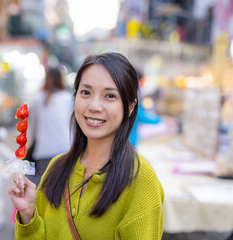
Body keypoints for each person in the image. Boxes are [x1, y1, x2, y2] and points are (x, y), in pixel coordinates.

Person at [8, 52, 164, 239]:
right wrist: (28, 214)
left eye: (109, 96)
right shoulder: (56, 168)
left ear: (130, 107)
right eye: (86, 93)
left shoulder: (141, 180)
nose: (94, 106)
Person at [27, 67, 72, 185]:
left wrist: (30, 144)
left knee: (44, 187)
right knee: (64, 186)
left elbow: (33, 125)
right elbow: (72, 124)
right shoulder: (67, 98)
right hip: (65, 147)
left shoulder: (38, 99)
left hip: (44, 149)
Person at [129, 71, 161, 146]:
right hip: (128, 139)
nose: (141, 84)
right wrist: (159, 120)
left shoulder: (135, 92)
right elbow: (138, 114)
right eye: (141, 81)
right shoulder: (132, 93)